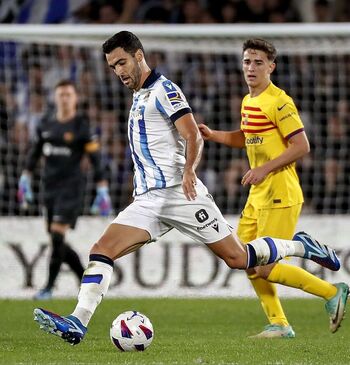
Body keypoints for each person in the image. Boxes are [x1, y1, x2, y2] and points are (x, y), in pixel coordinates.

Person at [33, 31, 343, 345]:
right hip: (149, 200)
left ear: (139, 56)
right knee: (101, 250)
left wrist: (189, 171)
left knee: (238, 259)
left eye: (122, 62)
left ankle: (301, 246)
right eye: (113, 66)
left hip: (182, 195)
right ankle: (77, 323)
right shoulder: (138, 95)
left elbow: (192, 135)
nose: (119, 71)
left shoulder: (165, 90)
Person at [198, 38, 349, 338]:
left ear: (271, 66)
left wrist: (264, 168)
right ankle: (279, 323)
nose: (250, 68)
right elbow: (246, 137)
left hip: (281, 192)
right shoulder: (248, 100)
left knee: (264, 267)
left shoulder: (280, 101)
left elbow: (301, 145)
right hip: (258, 194)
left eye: (257, 62)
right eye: (246, 62)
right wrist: (214, 135)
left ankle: (332, 290)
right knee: (242, 258)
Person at [18, 79, 111, 300]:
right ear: (55, 98)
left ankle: (49, 288)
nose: (65, 98)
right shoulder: (46, 123)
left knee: (58, 236)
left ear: (75, 99)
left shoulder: (81, 126)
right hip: (48, 187)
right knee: (55, 239)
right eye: (61, 94)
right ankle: (83, 278)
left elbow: (96, 159)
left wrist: (102, 189)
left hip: (71, 189)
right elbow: (35, 152)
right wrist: (25, 177)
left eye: (69, 94)